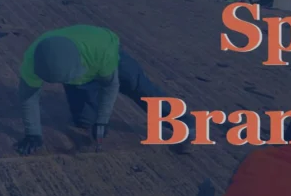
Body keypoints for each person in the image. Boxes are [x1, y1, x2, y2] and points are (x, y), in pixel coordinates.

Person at [15, 25, 196, 155]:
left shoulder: (101, 53)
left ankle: (186, 122)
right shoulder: (33, 61)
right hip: (80, 72)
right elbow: (28, 98)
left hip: (107, 54)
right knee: (84, 121)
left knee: (140, 90)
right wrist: (33, 134)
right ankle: (89, 95)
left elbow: (111, 86)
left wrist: (103, 121)